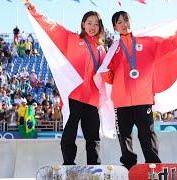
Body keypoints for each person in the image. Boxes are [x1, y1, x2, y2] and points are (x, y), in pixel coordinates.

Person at [101, 11, 177, 169]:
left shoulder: (148, 42)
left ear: (131, 21)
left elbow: (173, 43)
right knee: (124, 136)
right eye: (119, 22)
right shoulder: (113, 49)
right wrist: (105, 74)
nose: (124, 24)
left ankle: (153, 165)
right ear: (115, 28)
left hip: (143, 99)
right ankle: (129, 167)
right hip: (121, 101)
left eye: (126, 20)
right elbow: (108, 75)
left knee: (147, 134)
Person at [25, 0, 105, 165]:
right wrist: (33, 10)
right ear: (83, 24)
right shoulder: (71, 38)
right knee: (70, 131)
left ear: (100, 27)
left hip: (92, 98)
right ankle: (68, 163)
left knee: (93, 135)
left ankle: (95, 166)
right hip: (73, 95)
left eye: (96, 24)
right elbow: (50, 26)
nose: (92, 26)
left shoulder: (101, 49)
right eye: (89, 23)